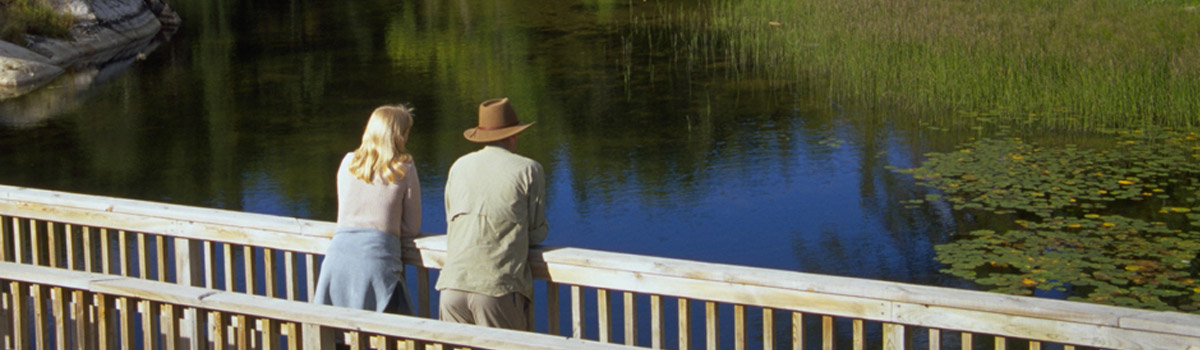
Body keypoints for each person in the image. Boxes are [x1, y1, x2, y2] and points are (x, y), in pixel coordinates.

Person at [436, 98, 548, 330]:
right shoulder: (528, 169)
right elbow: (536, 235)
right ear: (513, 135)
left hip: (452, 287)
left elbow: (451, 222)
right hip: (497, 287)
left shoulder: (459, 166)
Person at [313, 104, 421, 315]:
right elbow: (411, 227)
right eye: (406, 132)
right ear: (399, 135)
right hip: (377, 262)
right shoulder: (404, 168)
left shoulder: (347, 163)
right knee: (398, 336)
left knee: (338, 335)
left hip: (337, 259)